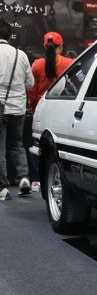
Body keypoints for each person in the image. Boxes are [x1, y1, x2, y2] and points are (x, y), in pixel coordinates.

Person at [27, 31, 73, 192]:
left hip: (42, 112)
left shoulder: (37, 64)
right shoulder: (69, 63)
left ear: (44, 46)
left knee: (39, 147)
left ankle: (37, 180)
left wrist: (34, 110)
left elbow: (32, 92)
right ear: (61, 46)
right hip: (63, 112)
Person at [0, 18, 35, 201]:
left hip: (0, 106)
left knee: (0, 149)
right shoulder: (20, 55)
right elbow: (30, 83)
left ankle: (3, 188)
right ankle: (23, 178)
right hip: (18, 108)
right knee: (17, 145)